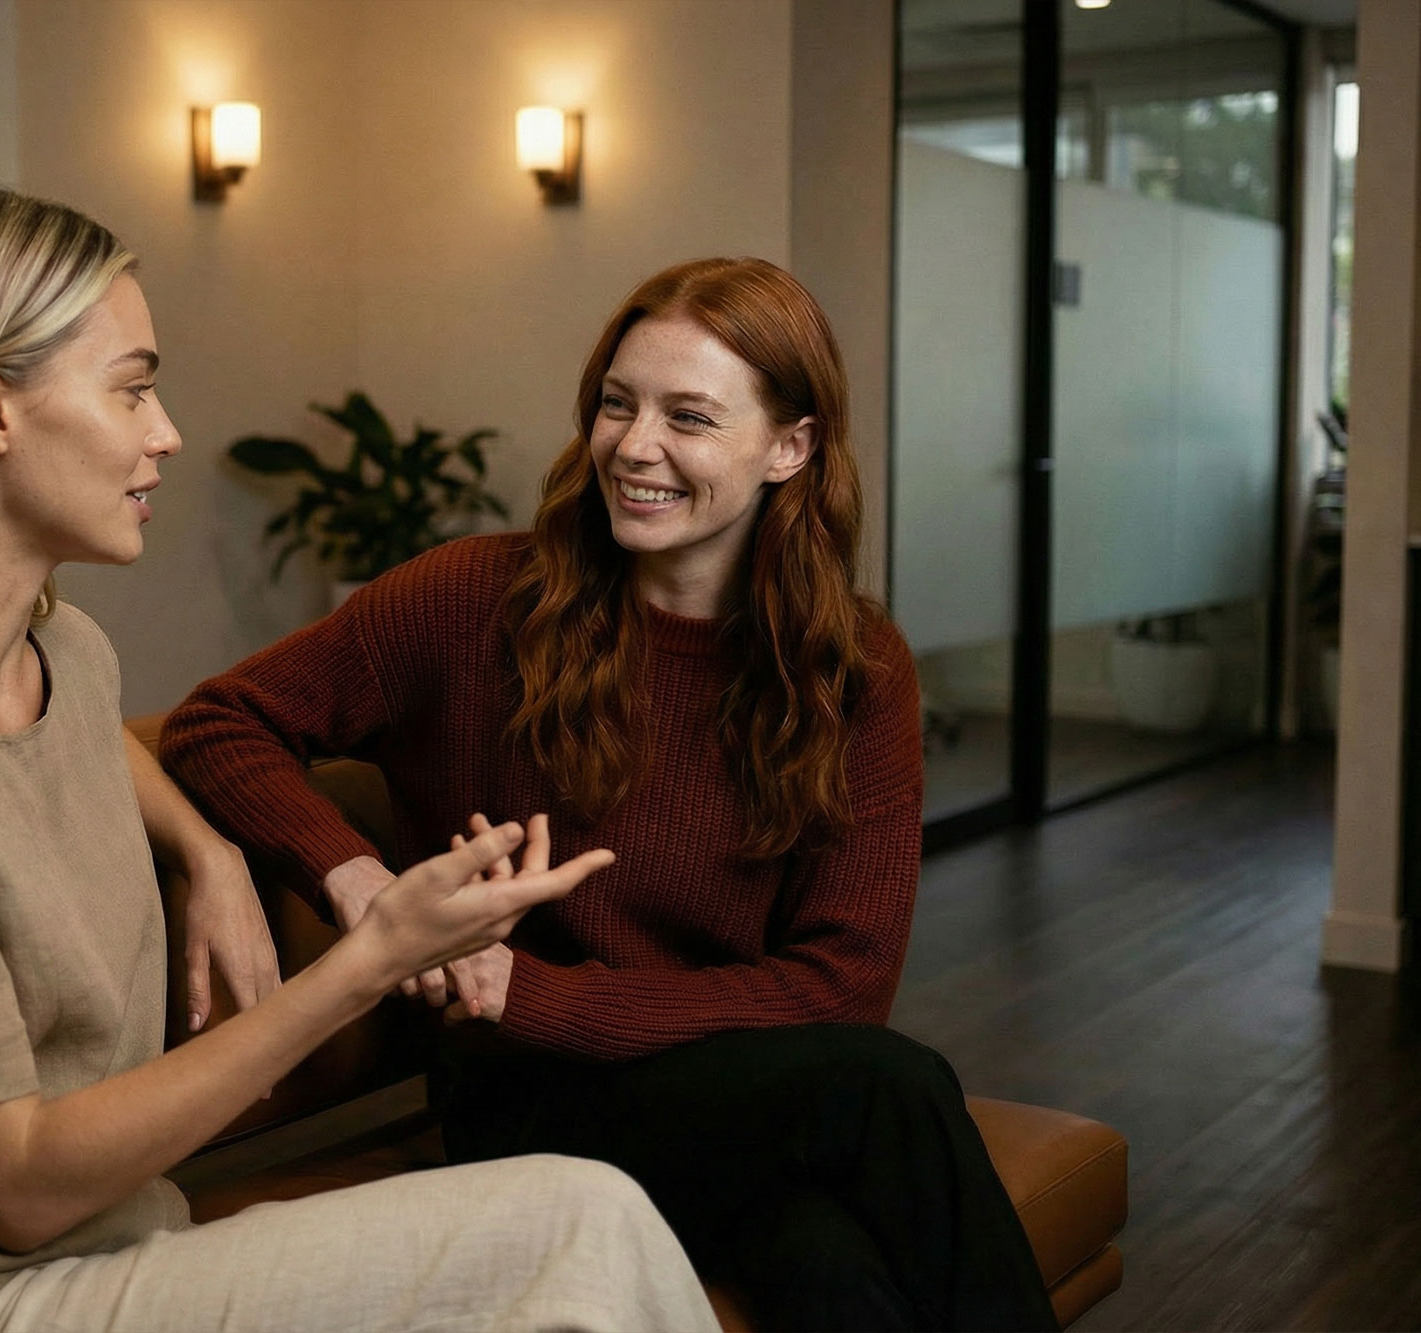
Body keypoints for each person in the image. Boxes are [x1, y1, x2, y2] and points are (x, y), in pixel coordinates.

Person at [0, 185, 720, 1333]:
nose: (166, 432)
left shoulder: (61, 655)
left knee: (589, 1227)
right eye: (132, 387)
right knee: (581, 1225)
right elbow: (12, 1187)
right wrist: (369, 959)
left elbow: (54, 748)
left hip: (111, 1258)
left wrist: (204, 845)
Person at [160, 257, 1060, 1332]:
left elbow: (842, 985)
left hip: (734, 1093)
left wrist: (531, 989)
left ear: (789, 447)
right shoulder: (470, 599)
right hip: (528, 1104)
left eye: (689, 416)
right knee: (892, 1087)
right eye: (617, 403)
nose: (633, 446)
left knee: (831, 1268)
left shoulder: (852, 667)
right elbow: (221, 722)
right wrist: (359, 883)